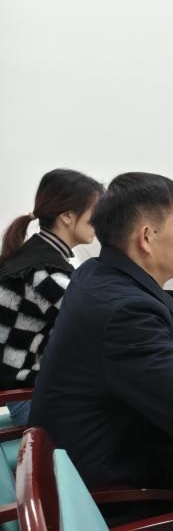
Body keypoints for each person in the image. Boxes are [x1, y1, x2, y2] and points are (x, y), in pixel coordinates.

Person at [30, 172, 173, 487]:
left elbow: (137, 344)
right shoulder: (125, 312)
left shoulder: (95, 273)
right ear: (146, 237)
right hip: (112, 489)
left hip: (76, 458)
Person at [0, 170, 104, 425]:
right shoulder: (43, 272)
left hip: (32, 389)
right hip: (32, 401)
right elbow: (104, 321)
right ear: (67, 216)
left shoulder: (36, 254)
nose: (101, 220)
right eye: (95, 212)